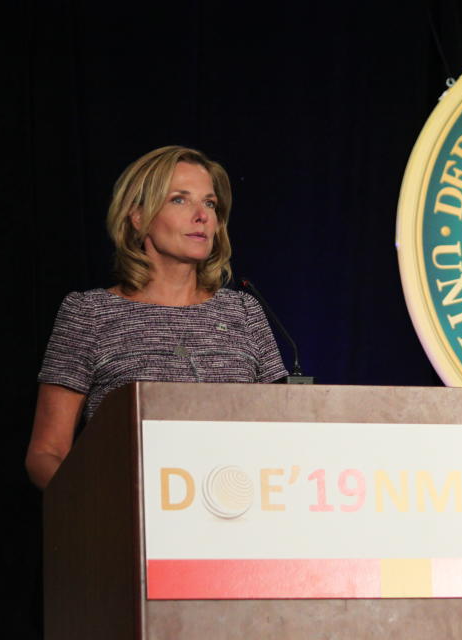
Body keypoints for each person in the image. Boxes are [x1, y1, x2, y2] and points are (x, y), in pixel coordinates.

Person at [25, 146, 287, 489]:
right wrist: (97, 509)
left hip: (237, 516)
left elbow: (285, 436)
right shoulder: (89, 313)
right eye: (180, 199)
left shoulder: (244, 311)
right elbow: (47, 452)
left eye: (210, 203)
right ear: (138, 216)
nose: (202, 216)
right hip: (131, 525)